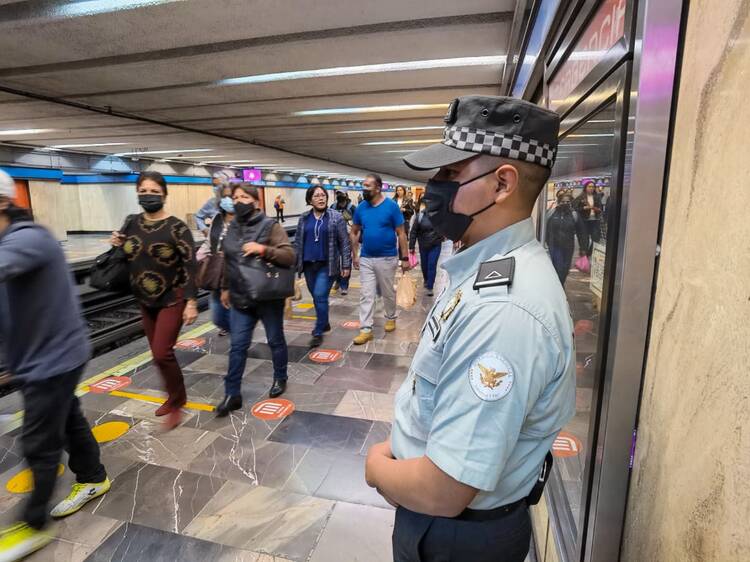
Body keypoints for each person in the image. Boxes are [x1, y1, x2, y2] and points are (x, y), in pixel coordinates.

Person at [364, 95, 576, 562]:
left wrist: (377, 468)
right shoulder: (489, 268)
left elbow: (445, 489)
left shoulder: (503, 311)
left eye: (451, 174)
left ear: (502, 184)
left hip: (456, 538)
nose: (434, 189)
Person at [0, 171, 110, 561]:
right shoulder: (15, 239)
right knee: (68, 421)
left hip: (53, 360)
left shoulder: (28, 238)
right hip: (46, 357)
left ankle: (34, 525)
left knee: (38, 443)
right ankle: (94, 476)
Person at [110, 171, 198, 430]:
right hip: (144, 299)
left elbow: (191, 265)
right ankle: (172, 396)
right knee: (157, 354)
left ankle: (178, 400)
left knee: (162, 352)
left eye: (154, 192)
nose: (148, 196)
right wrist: (116, 244)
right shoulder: (131, 222)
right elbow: (123, 256)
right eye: (143, 191)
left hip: (172, 297)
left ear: (165, 195)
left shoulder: (177, 228)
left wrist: (191, 302)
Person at [217, 183, 296, 416]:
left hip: (267, 296)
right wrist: (224, 287)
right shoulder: (232, 227)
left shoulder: (271, 226)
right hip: (240, 296)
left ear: (256, 202)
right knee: (237, 346)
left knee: (275, 340)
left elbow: (289, 256)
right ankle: (232, 394)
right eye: (235, 197)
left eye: (244, 197)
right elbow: (228, 260)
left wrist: (262, 249)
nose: (239, 201)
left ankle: (280, 377)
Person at [350, 173, 410, 345]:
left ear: (378, 187)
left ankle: (391, 316)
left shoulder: (391, 207)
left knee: (387, 292)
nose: (364, 188)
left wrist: (405, 257)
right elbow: (354, 231)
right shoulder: (361, 207)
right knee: (366, 294)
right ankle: (365, 329)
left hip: (387, 257)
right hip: (367, 257)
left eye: (368, 185)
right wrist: (355, 254)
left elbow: (401, 233)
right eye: (364, 185)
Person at [294, 187, 351, 347]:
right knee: (317, 297)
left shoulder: (336, 217)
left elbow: (344, 243)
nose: (321, 198)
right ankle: (324, 321)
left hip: (327, 265)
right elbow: (298, 243)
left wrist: (346, 264)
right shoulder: (304, 218)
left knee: (319, 295)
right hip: (308, 265)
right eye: (316, 196)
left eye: (323, 195)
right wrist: (293, 264)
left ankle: (318, 331)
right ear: (310, 200)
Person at [198, 184, 235, 336]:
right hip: (217, 272)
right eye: (225, 196)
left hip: (236, 274)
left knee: (236, 313)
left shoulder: (245, 220)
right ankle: (233, 328)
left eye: (232, 196)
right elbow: (209, 242)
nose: (229, 200)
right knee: (217, 316)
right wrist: (196, 258)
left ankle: (239, 334)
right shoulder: (217, 219)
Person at [546, 189, 584, 286]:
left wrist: (583, 248)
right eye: (563, 202)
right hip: (554, 246)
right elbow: (545, 229)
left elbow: (582, 232)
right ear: (558, 202)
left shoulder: (574, 215)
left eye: (567, 202)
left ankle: (560, 286)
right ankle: (558, 288)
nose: (565, 203)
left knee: (565, 270)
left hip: (568, 247)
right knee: (557, 268)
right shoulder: (551, 213)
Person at [408, 198, 444, 296]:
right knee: (424, 265)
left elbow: (444, 228)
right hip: (423, 245)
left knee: (432, 265)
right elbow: (413, 232)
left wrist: (440, 237)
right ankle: (426, 279)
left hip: (435, 245)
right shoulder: (419, 217)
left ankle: (430, 286)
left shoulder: (439, 216)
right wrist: (411, 246)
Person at [330, 190, 357, 295]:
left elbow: (357, 223)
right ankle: (337, 280)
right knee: (335, 260)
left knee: (346, 260)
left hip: (347, 237)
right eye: (338, 195)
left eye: (342, 195)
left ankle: (344, 284)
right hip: (335, 237)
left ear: (346, 197)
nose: (340, 197)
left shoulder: (352, 208)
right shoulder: (333, 207)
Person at [574, 180, 603, 256]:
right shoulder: (580, 197)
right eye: (589, 186)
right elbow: (575, 208)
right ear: (585, 187)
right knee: (584, 238)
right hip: (584, 221)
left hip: (595, 220)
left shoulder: (597, 197)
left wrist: (596, 209)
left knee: (595, 238)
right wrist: (583, 208)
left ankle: (591, 252)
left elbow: (600, 208)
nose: (591, 188)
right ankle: (584, 252)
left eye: (593, 187)